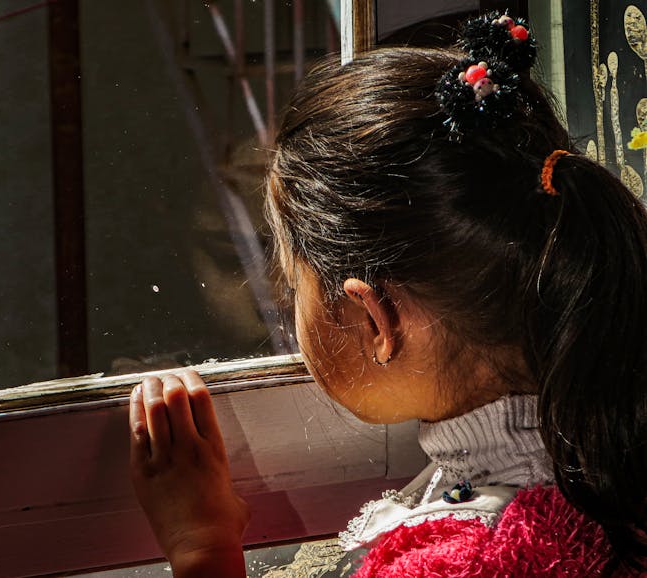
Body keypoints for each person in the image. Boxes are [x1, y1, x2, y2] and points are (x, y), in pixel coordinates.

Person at [128, 12, 647, 577]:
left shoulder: (469, 562)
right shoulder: (600, 454)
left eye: (292, 275)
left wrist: (201, 547)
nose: (281, 302)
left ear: (375, 321)